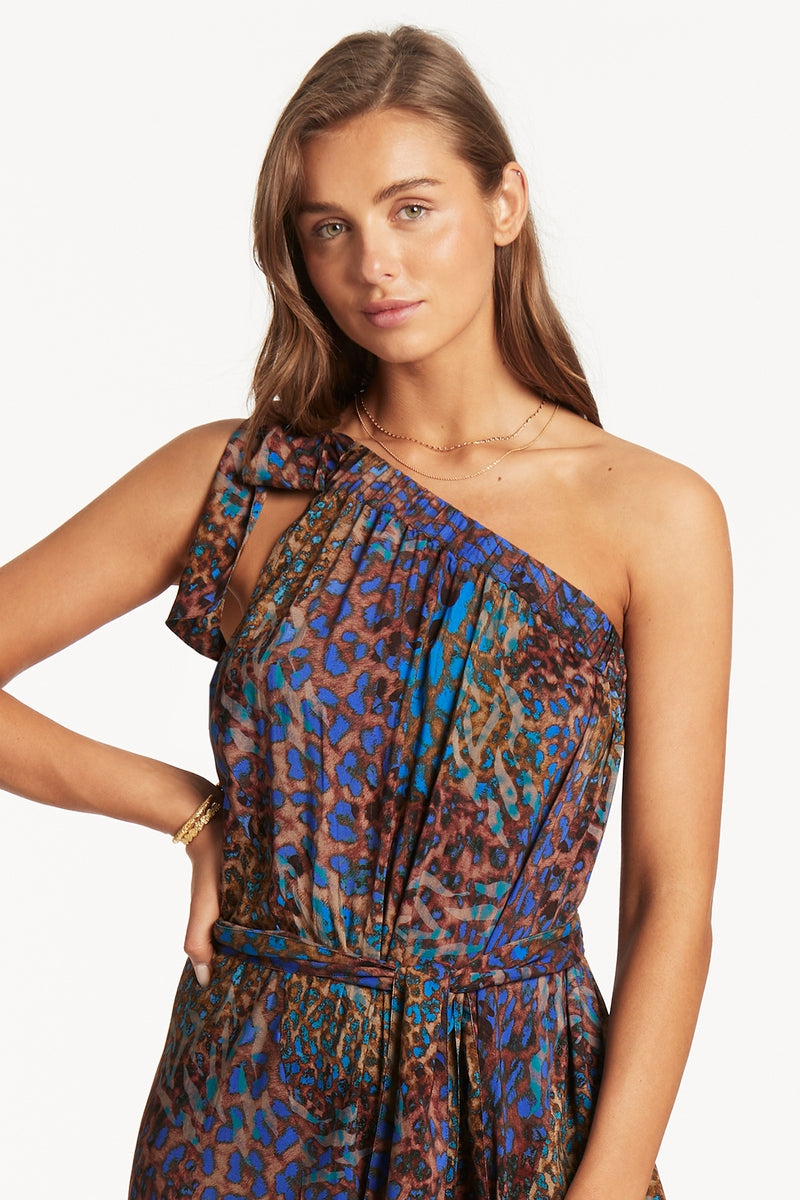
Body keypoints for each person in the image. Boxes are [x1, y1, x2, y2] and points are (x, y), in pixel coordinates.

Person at [0, 25, 731, 1200]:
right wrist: (190, 813)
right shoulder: (243, 481)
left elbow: (669, 901)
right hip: (250, 1112)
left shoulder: (653, 515)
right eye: (327, 228)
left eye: (410, 209)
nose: (373, 265)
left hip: (518, 1110)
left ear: (503, 203)